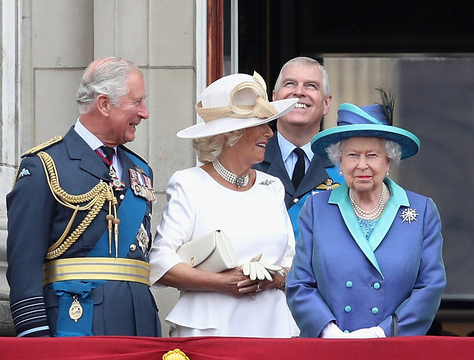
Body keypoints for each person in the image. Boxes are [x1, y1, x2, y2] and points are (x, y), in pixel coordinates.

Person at [6, 57, 161, 337]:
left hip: (139, 323)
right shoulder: (45, 165)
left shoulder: (141, 170)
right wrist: (34, 337)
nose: (145, 112)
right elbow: (23, 264)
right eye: (136, 102)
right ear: (104, 104)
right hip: (76, 321)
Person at [149, 72, 300, 337]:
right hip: (209, 333)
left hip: (271, 331)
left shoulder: (272, 186)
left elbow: (292, 264)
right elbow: (162, 263)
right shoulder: (189, 184)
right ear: (232, 134)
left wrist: (272, 279)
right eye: (261, 125)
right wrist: (222, 283)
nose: (269, 133)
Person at [287, 100, 445, 337]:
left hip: (394, 348)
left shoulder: (421, 210)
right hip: (329, 347)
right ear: (339, 161)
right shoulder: (316, 208)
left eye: (372, 155)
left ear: (388, 160)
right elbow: (299, 283)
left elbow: (430, 287)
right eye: (352, 155)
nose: (362, 165)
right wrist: (328, 332)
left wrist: (382, 333)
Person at [254, 57, 342, 236]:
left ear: (326, 103)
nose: (299, 92)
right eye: (290, 84)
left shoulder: (345, 166)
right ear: (274, 98)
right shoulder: (248, 160)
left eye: (311, 85)